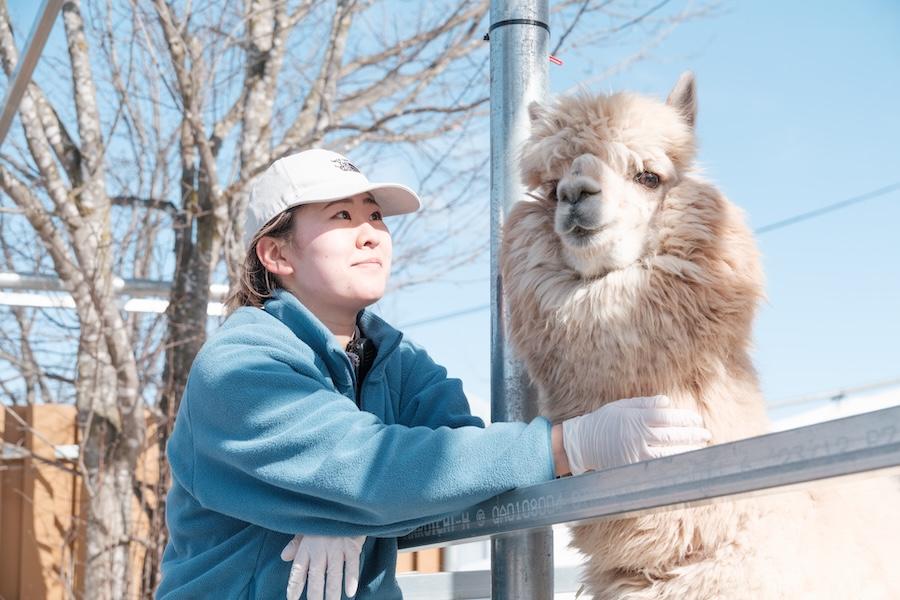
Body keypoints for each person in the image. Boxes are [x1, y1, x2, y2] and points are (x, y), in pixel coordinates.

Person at [156, 149, 711, 600]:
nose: (371, 232)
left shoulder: (395, 360)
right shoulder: (241, 365)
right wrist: (570, 445)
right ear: (277, 254)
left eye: (374, 216)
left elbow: (464, 457)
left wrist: (357, 514)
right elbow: (366, 472)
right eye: (342, 217)